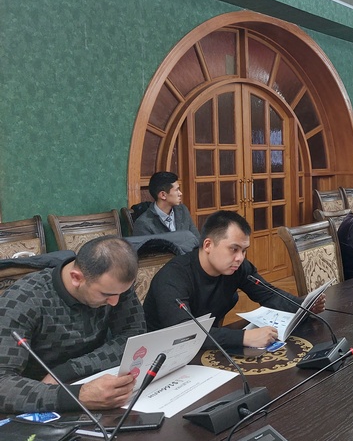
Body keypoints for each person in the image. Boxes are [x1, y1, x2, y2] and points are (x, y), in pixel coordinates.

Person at [0, 236, 145, 413]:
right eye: (106, 294)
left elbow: (133, 337)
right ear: (76, 278)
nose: (115, 302)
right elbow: (3, 384)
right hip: (40, 401)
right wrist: (78, 396)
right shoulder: (23, 300)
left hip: (90, 384)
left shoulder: (114, 288)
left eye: (121, 294)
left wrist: (68, 370)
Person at [144, 210, 324, 350]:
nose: (240, 258)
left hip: (209, 348)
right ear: (208, 245)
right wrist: (244, 337)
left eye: (244, 250)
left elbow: (269, 294)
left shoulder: (237, 268)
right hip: (164, 356)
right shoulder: (173, 277)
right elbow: (184, 333)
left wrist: (303, 306)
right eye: (234, 249)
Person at [133, 171, 200, 240]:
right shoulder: (143, 224)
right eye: (177, 190)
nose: (180, 193)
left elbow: (197, 239)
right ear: (163, 195)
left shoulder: (183, 210)